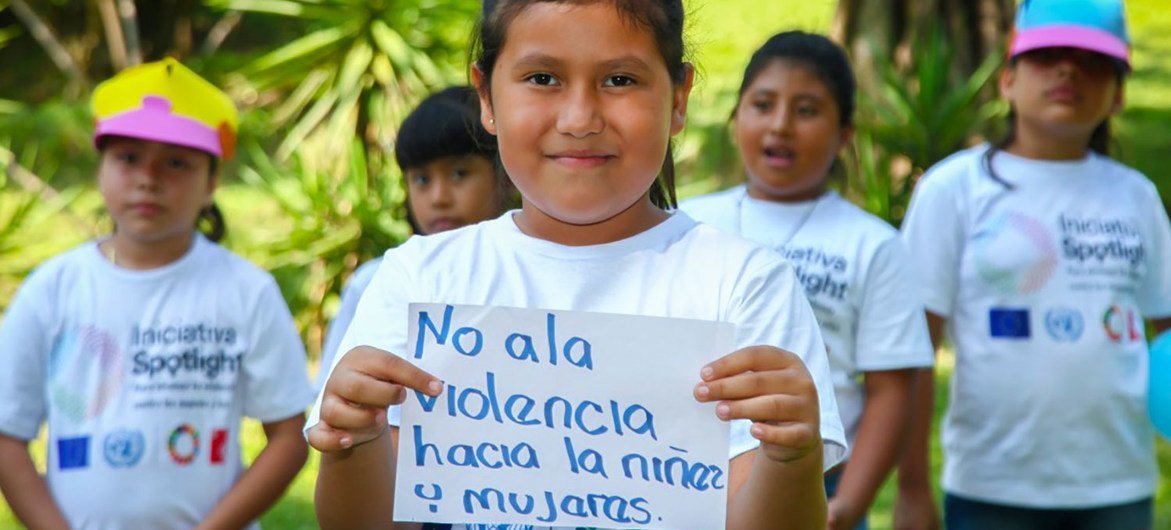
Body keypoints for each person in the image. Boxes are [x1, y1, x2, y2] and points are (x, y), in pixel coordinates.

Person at [306, 1, 848, 529]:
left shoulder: (744, 284)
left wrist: (789, 457)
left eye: (619, 80)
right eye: (543, 78)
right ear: (487, 97)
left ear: (678, 98)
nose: (580, 119)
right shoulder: (419, 278)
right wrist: (360, 435)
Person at [0, 58, 315, 529]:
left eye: (176, 163)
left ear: (212, 183)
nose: (149, 178)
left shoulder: (246, 291)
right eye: (128, 158)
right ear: (99, 170)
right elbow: (6, 435)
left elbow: (290, 437)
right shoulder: (53, 288)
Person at [895, 1, 1171, 529]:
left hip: (1118, 488)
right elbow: (911, 352)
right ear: (1007, 80)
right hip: (989, 490)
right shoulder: (954, 189)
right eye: (1047, 55)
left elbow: (1166, 335)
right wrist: (910, 489)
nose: (1067, 69)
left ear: (1118, 94)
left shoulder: (1137, 197)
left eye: (1091, 60)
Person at [679, 31, 933, 530]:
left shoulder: (873, 245)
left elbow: (891, 390)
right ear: (735, 119)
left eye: (807, 110)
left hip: (820, 481)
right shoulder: (687, 222)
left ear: (843, 135)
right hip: (689, 468)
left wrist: (848, 505)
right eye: (763, 104)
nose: (781, 126)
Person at [317, 86, 513, 390]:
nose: (439, 197)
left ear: (504, 175)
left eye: (460, 174)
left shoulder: (531, 273)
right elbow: (331, 403)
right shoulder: (375, 281)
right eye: (422, 179)